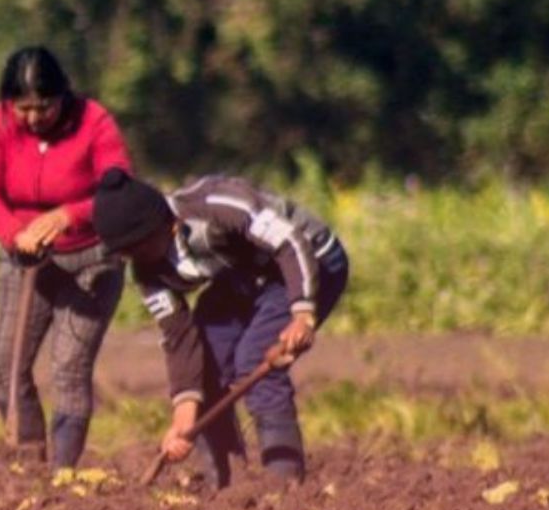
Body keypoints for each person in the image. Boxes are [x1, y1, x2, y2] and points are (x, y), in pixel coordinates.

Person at [89, 167, 352, 486]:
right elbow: (179, 337)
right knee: (206, 366)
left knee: (256, 361)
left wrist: (302, 313)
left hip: (310, 261)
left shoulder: (218, 205)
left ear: (166, 227)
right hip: (246, 273)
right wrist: (184, 417)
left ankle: (284, 483)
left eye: (138, 248)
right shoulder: (146, 272)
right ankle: (226, 483)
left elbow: (289, 244)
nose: (135, 260)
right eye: (125, 254)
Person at [0, 46, 134, 467]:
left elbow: (119, 189)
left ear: (63, 96)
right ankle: (28, 457)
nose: (34, 118)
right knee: (4, 357)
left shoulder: (94, 122)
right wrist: (15, 233)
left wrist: (70, 215)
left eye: (44, 107)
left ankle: (62, 472)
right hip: (25, 257)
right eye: (23, 108)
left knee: (68, 367)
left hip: (92, 257)